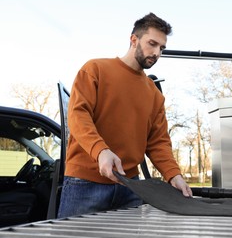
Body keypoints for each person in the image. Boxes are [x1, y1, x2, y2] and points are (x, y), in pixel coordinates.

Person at [58, 13, 192, 218]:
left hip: (130, 188)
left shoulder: (154, 94)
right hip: (84, 184)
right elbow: (78, 115)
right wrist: (101, 150)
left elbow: (158, 143)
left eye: (161, 48)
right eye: (152, 44)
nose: (156, 53)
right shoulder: (95, 69)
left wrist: (173, 174)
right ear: (133, 40)